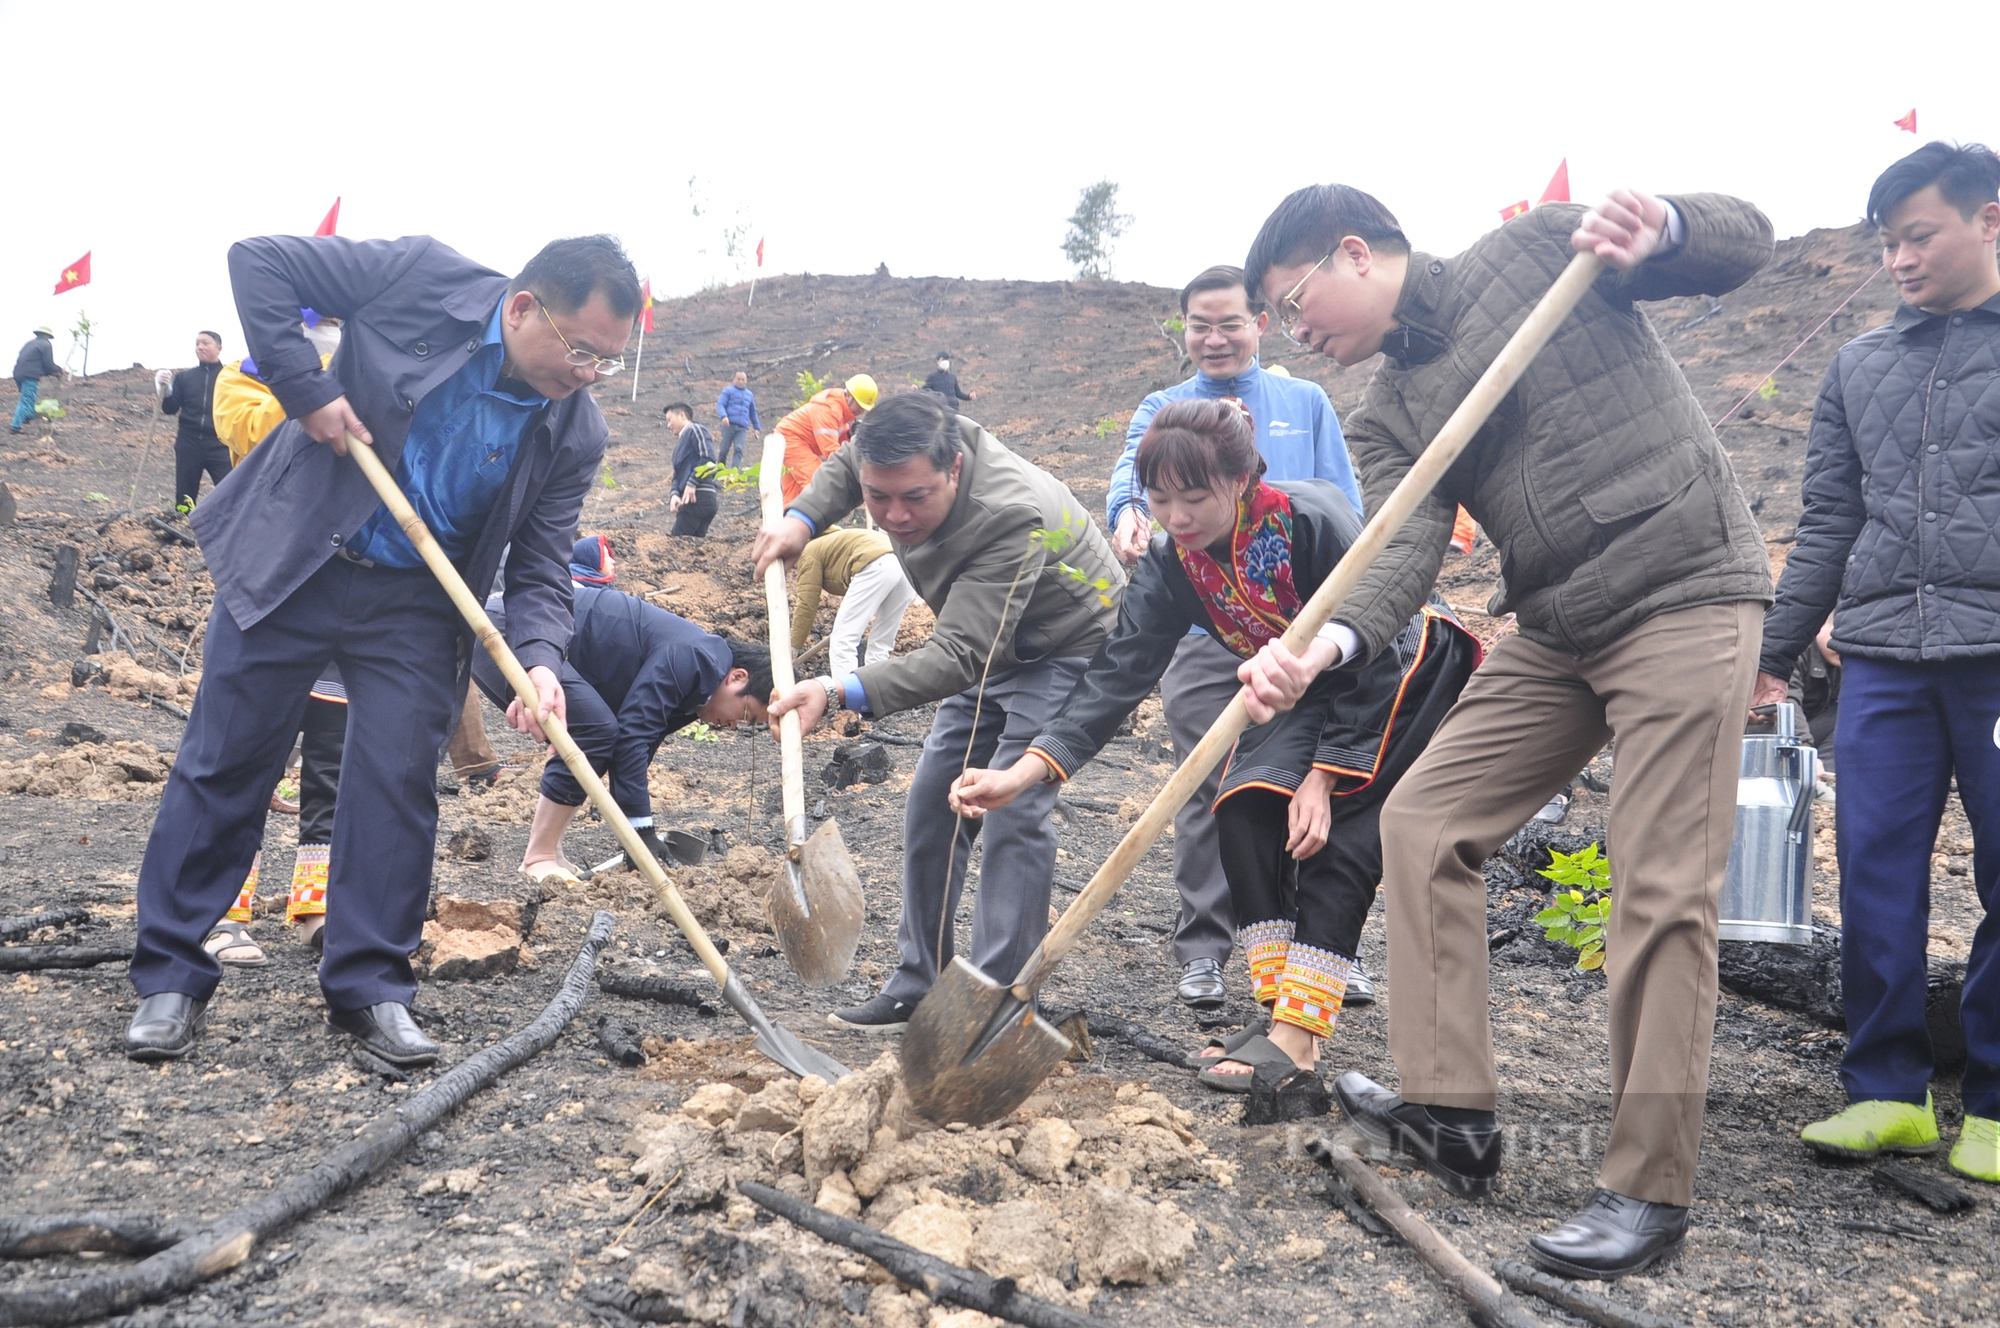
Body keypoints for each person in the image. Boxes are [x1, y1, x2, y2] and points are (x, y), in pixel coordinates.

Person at [1239, 181, 1774, 1277]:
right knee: (1424, 820)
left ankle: (1643, 1185)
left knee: (1661, 884)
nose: (1299, 334)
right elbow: (1396, 550)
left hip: (1681, 591)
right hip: (1556, 627)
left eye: (1296, 305)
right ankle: (1452, 1114)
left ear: (1353, 253)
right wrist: (1324, 647)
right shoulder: (1384, 408)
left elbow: (1738, 242)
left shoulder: (1533, 252)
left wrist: (1664, 227)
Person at [122, 230, 641, 1071]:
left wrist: (540, 656)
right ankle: (172, 973)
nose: (587, 374)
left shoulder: (572, 429)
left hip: (414, 604)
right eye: (580, 350)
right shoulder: (421, 280)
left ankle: (370, 987)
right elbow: (260, 261)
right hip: (300, 559)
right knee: (229, 758)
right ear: (521, 307)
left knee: (398, 783)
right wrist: (306, 390)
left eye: (606, 362)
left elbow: (544, 563)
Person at [952, 399, 1477, 1084]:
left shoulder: (1310, 520)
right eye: (1161, 499)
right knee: (1244, 809)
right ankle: (1276, 1014)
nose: (1177, 517)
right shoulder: (1174, 562)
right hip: (1296, 684)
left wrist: (1324, 775)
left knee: (1335, 836)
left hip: (1397, 669)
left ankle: (1299, 1037)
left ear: (1240, 478)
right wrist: (1023, 773)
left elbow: (1380, 627)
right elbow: (1120, 669)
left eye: (1195, 496)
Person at [1753, 141, 2000, 1186]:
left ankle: (1992, 1103)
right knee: (1874, 874)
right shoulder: (1859, 364)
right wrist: (1765, 656)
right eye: (1886, 242)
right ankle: (1886, 1094)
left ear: (1988, 220)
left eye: (1918, 235)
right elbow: (1824, 520)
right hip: (1883, 660)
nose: (1897, 258)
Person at [753, 391, 1123, 1032]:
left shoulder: (1008, 513)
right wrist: (803, 519)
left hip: (1070, 639)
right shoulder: (902, 448)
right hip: (989, 635)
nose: (894, 515)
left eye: (915, 498)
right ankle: (919, 981)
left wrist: (840, 689)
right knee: (932, 800)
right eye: (881, 497)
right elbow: (847, 464)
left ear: (952, 469)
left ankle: (991, 1001)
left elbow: (960, 657)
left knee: (1010, 806)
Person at [1106, 264, 1363, 1012]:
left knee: (1317, 782)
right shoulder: (1165, 404)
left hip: (1307, 635)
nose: (1214, 339)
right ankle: (1204, 949)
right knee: (1208, 782)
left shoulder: (1303, 401)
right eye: (1198, 325)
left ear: (1261, 323)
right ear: (1182, 330)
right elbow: (1132, 473)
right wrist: (1131, 510)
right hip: (1207, 631)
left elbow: (1343, 499)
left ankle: (1322, 945)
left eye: (1230, 323)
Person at [473, 573, 772, 884]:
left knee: (598, 735)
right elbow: (632, 736)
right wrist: (641, 831)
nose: (736, 725)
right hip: (514, 629)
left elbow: (632, 752)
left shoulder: (699, 692)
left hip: (529, 632)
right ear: (737, 677)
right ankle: (539, 856)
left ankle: (552, 852)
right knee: (596, 730)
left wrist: (637, 831)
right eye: (747, 714)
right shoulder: (697, 659)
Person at [791, 526, 917, 676]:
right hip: (907, 569)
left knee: (843, 641)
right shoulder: (833, 540)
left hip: (877, 566)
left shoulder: (807, 553)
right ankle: (876, 695)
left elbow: (807, 603)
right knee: (881, 644)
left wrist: (793, 648)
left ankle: (849, 697)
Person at [773, 373, 876, 505]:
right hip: (790, 439)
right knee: (816, 482)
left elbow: (834, 437)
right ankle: (815, 523)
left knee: (795, 493)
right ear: (849, 395)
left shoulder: (838, 412)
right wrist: (855, 470)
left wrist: (849, 435)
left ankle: (790, 522)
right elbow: (831, 450)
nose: (861, 410)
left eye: (864, 408)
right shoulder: (828, 411)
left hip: (790, 440)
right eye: (859, 404)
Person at [158, 331, 231, 511]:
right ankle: (181, 532)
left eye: (206, 343)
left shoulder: (230, 377)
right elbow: (170, 408)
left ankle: (230, 532)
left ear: (219, 348)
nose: (200, 347)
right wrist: (164, 389)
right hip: (188, 443)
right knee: (185, 496)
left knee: (231, 492)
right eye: (197, 343)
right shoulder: (185, 378)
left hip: (221, 443)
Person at [665, 402, 721, 536]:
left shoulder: (696, 429)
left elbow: (708, 458)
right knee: (692, 550)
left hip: (699, 497)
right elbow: (677, 475)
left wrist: (692, 483)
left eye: (669, 420)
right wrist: (674, 494)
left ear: (682, 415)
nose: (668, 425)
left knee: (677, 544)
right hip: (690, 500)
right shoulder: (679, 446)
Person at [13, 324, 63, 434]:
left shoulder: (30, 343)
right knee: (26, 400)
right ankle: (15, 426)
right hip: (30, 376)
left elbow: (36, 364)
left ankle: (27, 417)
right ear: (47, 335)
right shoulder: (46, 344)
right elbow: (48, 364)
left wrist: (53, 373)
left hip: (18, 373)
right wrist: (59, 369)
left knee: (29, 398)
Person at [716, 369, 761, 468]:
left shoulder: (749, 394)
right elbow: (720, 404)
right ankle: (719, 470)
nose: (740, 381)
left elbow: (752, 411)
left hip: (742, 427)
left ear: (746, 381)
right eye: (739, 379)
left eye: (743, 379)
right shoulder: (728, 391)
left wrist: (756, 427)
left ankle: (734, 472)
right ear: (734, 380)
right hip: (729, 424)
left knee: (739, 448)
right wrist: (724, 416)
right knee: (724, 449)